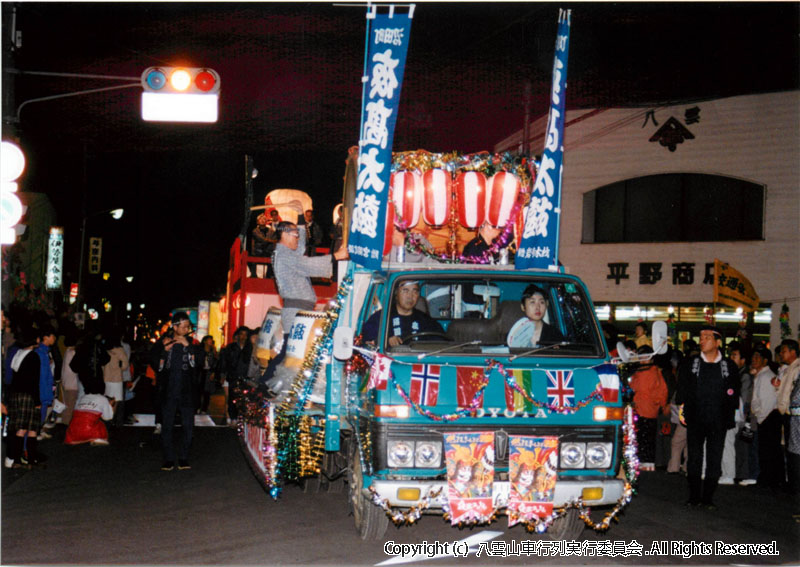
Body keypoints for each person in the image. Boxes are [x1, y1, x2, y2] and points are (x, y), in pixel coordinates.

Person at [676, 325, 740, 509]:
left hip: (718, 420)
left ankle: (708, 497)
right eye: (701, 337)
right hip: (696, 418)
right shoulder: (691, 363)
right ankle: (694, 496)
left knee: (714, 458)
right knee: (694, 458)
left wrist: (729, 416)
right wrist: (683, 410)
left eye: (707, 337)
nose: (701, 340)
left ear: (718, 342)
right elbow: (683, 389)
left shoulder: (729, 366)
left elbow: (734, 393)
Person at [151, 312, 198, 471]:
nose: (186, 329)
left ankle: (184, 456)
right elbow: (157, 365)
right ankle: (168, 458)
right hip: (169, 389)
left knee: (188, 425)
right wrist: (165, 350)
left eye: (188, 327)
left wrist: (188, 347)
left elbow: (198, 365)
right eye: (183, 326)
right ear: (175, 327)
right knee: (167, 425)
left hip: (187, 391)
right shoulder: (164, 342)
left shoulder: (191, 342)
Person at [4, 326, 46, 469]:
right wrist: (37, 400)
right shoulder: (33, 356)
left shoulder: (19, 354)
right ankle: (30, 458)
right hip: (28, 396)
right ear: (34, 340)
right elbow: (33, 380)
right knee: (29, 428)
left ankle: (18, 458)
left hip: (16, 395)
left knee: (20, 427)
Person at [361, 280, 444, 345]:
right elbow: (367, 341)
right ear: (396, 294)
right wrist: (385, 341)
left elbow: (442, 343)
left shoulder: (426, 321)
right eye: (405, 290)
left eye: (414, 291)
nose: (410, 296)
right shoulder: (380, 318)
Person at [629, 345, 669, 471]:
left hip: (648, 408)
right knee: (641, 436)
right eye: (641, 357)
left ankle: (648, 461)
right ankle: (643, 460)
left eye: (646, 357)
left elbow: (662, 391)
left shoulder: (653, 372)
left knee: (647, 436)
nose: (643, 360)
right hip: (641, 408)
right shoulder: (640, 372)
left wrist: (661, 404)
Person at [750, 345, 783, 489]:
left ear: (765, 361)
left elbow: (767, 402)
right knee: (766, 450)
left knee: (769, 450)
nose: (754, 360)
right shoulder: (760, 375)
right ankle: (768, 479)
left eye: (757, 357)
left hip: (768, 417)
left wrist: (760, 417)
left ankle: (770, 480)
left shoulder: (766, 377)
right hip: (765, 417)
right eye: (753, 357)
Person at [776, 339, 800, 496]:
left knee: (794, 451)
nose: (781, 354)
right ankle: (790, 483)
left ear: (793, 352)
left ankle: (794, 486)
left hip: (795, 415)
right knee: (789, 450)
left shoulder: (797, 368)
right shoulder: (788, 368)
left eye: (784, 351)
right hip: (787, 414)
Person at [219, 326, 251, 423]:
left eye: (246, 335)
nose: (243, 337)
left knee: (245, 398)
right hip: (233, 376)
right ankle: (233, 417)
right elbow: (224, 362)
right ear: (238, 335)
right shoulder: (231, 347)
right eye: (242, 334)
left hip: (246, 377)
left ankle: (242, 418)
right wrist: (223, 375)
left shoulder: (250, 348)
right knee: (232, 397)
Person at [102, 334, 129, 426]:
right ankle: (112, 417)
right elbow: (125, 364)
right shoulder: (119, 351)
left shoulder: (105, 350)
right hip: (116, 378)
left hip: (106, 377)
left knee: (107, 398)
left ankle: (107, 418)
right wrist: (119, 368)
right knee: (116, 400)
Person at [60, 331, 80, 426]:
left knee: (67, 404)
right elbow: (76, 368)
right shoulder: (73, 353)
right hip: (72, 383)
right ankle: (67, 424)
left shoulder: (67, 351)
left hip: (66, 382)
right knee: (70, 406)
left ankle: (66, 422)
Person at [196, 335, 218, 415]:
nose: (210, 341)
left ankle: (204, 409)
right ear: (204, 341)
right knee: (198, 390)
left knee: (207, 392)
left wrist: (213, 372)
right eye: (209, 340)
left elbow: (216, 362)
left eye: (211, 340)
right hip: (201, 372)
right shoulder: (200, 350)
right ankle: (197, 407)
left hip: (209, 372)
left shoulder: (213, 351)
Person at [250, 213, 277, 278]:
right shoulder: (255, 231)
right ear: (257, 222)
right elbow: (261, 239)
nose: (263, 220)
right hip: (258, 252)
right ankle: (253, 275)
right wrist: (271, 241)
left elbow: (275, 240)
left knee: (274, 257)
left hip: (268, 251)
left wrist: (272, 242)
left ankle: (269, 275)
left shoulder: (271, 231)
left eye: (264, 219)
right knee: (251, 257)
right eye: (261, 219)